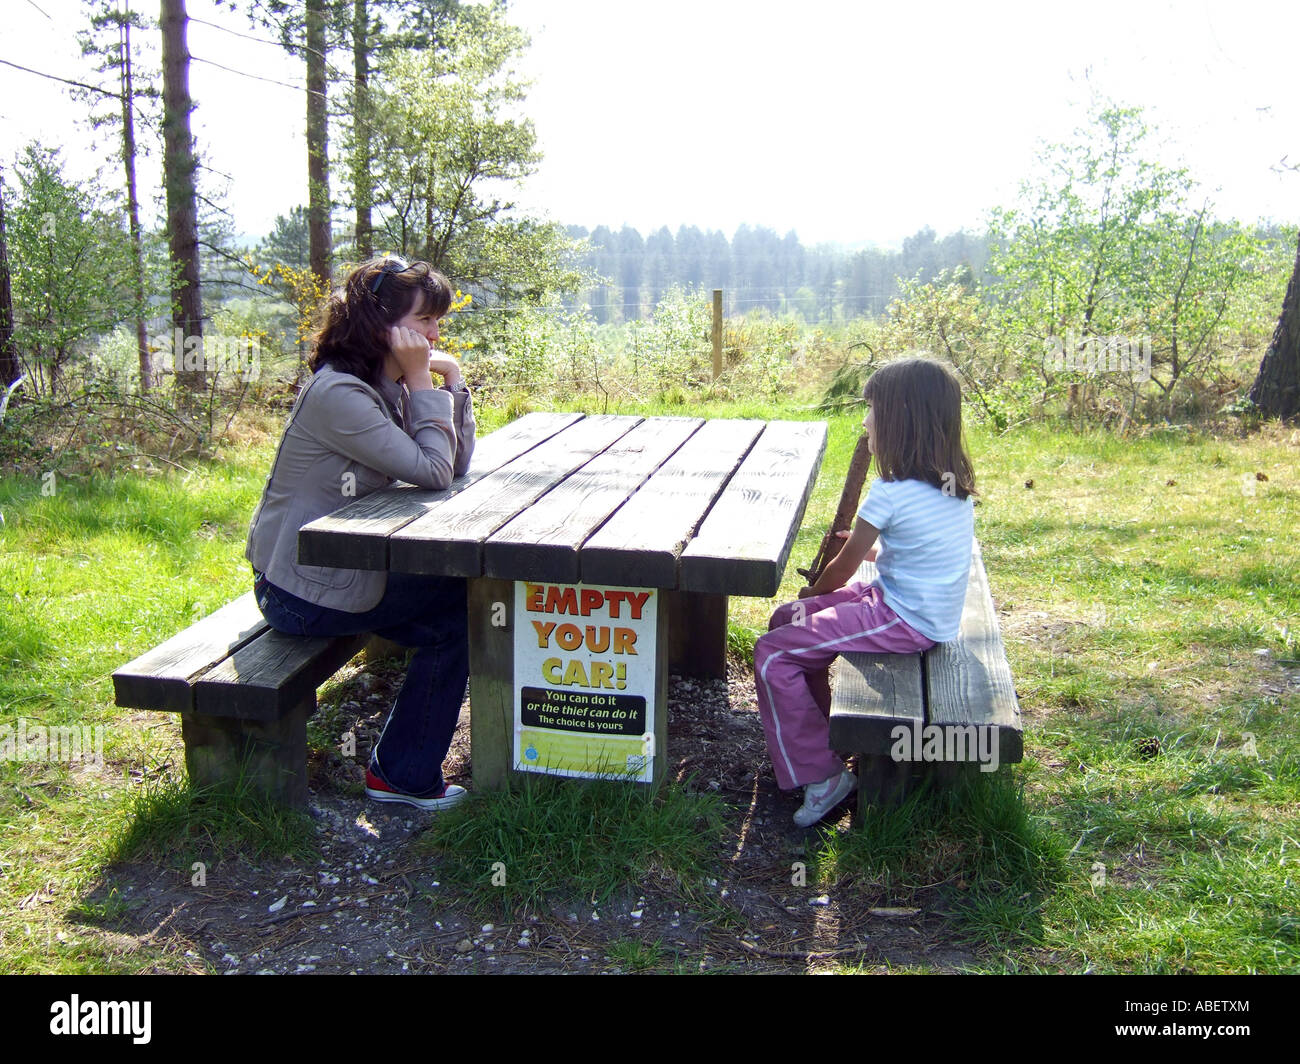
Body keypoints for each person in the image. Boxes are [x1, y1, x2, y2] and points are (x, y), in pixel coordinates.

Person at [246, 256, 476, 811]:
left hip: (329, 571)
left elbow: (455, 460)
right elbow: (434, 470)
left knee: (464, 595)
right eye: (425, 321)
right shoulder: (342, 395)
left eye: (436, 323)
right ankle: (402, 774)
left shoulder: (381, 383)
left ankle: (404, 765)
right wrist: (422, 379)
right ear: (383, 325)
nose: (435, 334)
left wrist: (452, 381)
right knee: (461, 614)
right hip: (297, 592)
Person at [754, 356, 977, 826]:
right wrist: (867, 562)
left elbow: (839, 571)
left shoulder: (890, 491)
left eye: (871, 408)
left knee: (774, 653)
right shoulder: (949, 487)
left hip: (902, 619)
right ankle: (823, 735)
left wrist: (815, 591)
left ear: (899, 419)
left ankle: (822, 776)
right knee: (785, 620)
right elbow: (922, 553)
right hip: (911, 607)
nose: (864, 420)